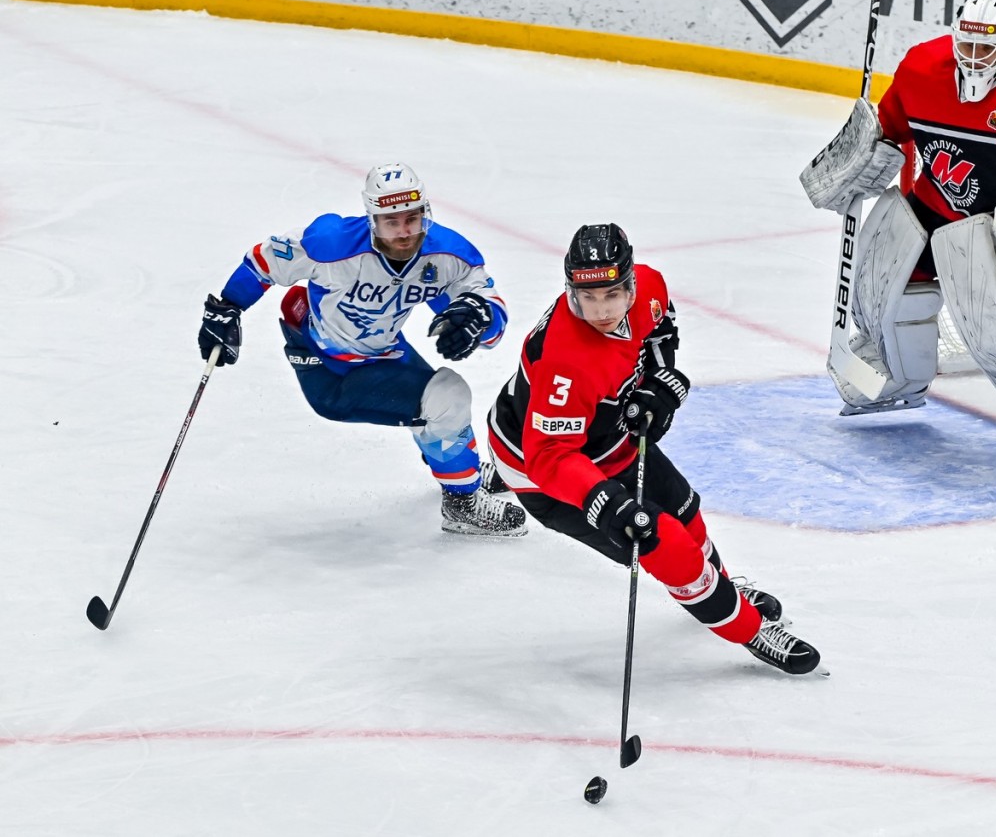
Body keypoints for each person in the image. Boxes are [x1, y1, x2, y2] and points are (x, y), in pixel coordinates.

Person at [486, 223, 821, 674]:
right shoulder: (565, 360)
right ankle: (750, 629)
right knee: (666, 545)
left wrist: (657, 384)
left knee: (685, 508)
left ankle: (720, 588)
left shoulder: (649, 287)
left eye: (612, 295)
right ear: (571, 292)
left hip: (606, 436)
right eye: (588, 299)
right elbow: (549, 458)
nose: (601, 310)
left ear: (630, 283)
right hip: (540, 466)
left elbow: (660, 332)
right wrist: (606, 504)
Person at [800, 0, 996, 474]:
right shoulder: (922, 69)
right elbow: (889, 128)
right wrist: (858, 155)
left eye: (985, 49)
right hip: (933, 202)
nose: (972, 58)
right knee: (881, 283)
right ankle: (899, 377)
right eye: (965, 44)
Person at [197, 162, 527, 536]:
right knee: (448, 398)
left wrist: (479, 316)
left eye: (412, 218)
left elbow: (489, 313)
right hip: (331, 372)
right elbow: (264, 261)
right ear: (372, 220)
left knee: (439, 407)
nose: (404, 232)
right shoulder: (331, 244)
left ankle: (454, 461)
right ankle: (462, 501)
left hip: (386, 351)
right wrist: (225, 308)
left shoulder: (447, 255)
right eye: (391, 222)